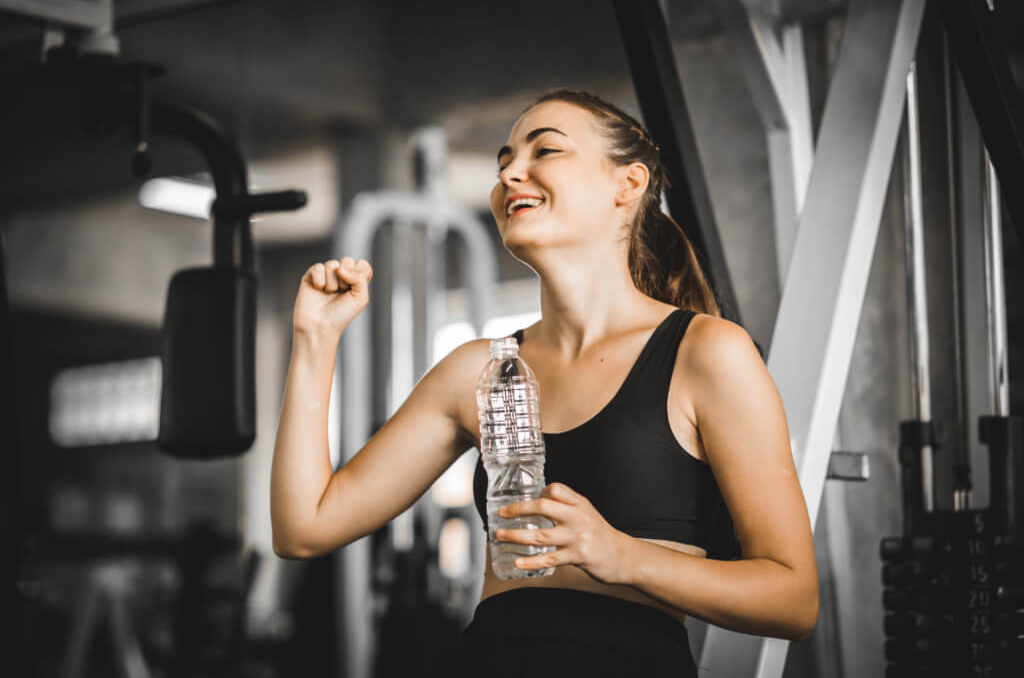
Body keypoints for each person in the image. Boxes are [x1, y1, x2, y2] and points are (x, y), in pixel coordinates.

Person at [270, 88, 819, 677]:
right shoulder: (478, 371)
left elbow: (792, 598)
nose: (512, 173)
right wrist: (314, 340)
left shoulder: (706, 352)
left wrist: (619, 555)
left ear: (628, 185)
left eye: (545, 151)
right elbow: (306, 527)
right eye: (503, 162)